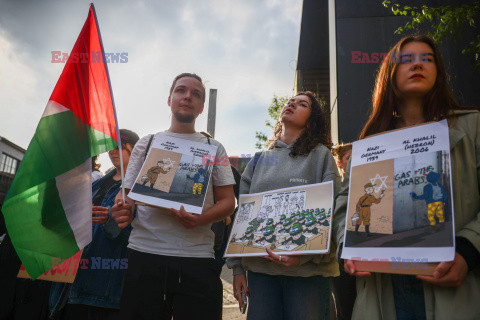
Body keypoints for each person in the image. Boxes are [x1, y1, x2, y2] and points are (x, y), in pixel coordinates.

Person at [334, 35, 480, 320]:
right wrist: (347, 246)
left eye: (427, 59)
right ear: (389, 73)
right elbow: (344, 204)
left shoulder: (473, 127)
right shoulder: (368, 146)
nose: (418, 64)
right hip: (383, 292)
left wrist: (468, 249)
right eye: (407, 59)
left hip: (455, 290)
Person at [111, 73, 236, 320]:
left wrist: (200, 219)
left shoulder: (215, 148)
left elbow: (228, 202)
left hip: (197, 259)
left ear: (201, 108)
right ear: (170, 100)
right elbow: (125, 195)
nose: (187, 96)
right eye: (181, 90)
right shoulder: (146, 143)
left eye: (196, 94)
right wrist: (122, 208)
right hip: (143, 254)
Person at [227, 92, 341, 320]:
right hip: (262, 274)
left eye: (303, 104)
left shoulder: (321, 156)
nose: (292, 104)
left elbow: (334, 213)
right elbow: (243, 216)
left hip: (307, 276)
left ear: (311, 120)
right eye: (291, 101)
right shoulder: (260, 158)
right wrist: (238, 268)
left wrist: (304, 258)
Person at [48, 129, 139, 320]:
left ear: (136, 149)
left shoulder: (140, 188)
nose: (112, 151)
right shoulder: (95, 184)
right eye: (110, 146)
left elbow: (141, 237)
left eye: (120, 146)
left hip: (104, 289)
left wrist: (112, 221)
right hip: (70, 283)